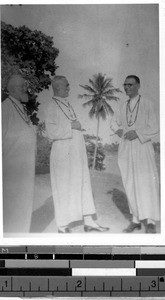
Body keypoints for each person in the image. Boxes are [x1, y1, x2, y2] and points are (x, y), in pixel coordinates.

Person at [45, 75, 109, 233]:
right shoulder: (51, 106)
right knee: (63, 186)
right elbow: (51, 132)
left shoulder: (67, 104)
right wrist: (71, 125)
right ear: (58, 87)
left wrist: (75, 127)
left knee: (83, 184)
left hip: (76, 153)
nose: (69, 88)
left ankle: (89, 222)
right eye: (66, 85)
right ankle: (62, 225)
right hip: (62, 154)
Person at [110, 75, 160, 233]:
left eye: (130, 85)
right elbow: (113, 122)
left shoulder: (147, 104)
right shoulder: (122, 106)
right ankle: (135, 220)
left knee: (146, 182)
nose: (127, 88)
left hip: (142, 147)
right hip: (126, 148)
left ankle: (151, 221)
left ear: (138, 86)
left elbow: (155, 127)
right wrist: (118, 130)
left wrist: (137, 133)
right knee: (129, 183)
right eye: (125, 85)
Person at [2, 74, 36, 234]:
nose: (27, 89)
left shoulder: (21, 107)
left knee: (23, 209)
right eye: (24, 86)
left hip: (25, 171)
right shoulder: (4, 108)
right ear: (14, 89)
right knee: (10, 214)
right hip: (11, 171)